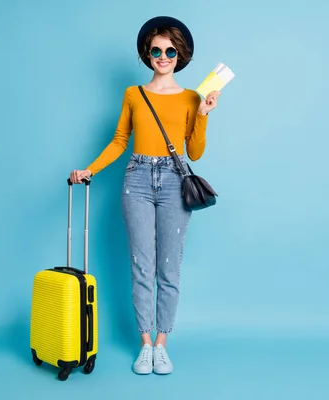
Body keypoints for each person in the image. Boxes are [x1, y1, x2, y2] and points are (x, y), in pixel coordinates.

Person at [69, 16, 220, 375]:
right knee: (141, 267)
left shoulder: (191, 97)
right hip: (136, 178)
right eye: (157, 50)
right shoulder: (133, 94)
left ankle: (162, 345)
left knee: (169, 268)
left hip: (173, 181)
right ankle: (145, 345)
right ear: (147, 53)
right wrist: (91, 169)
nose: (163, 56)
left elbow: (194, 153)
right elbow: (121, 140)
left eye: (170, 50)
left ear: (179, 54)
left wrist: (203, 114)